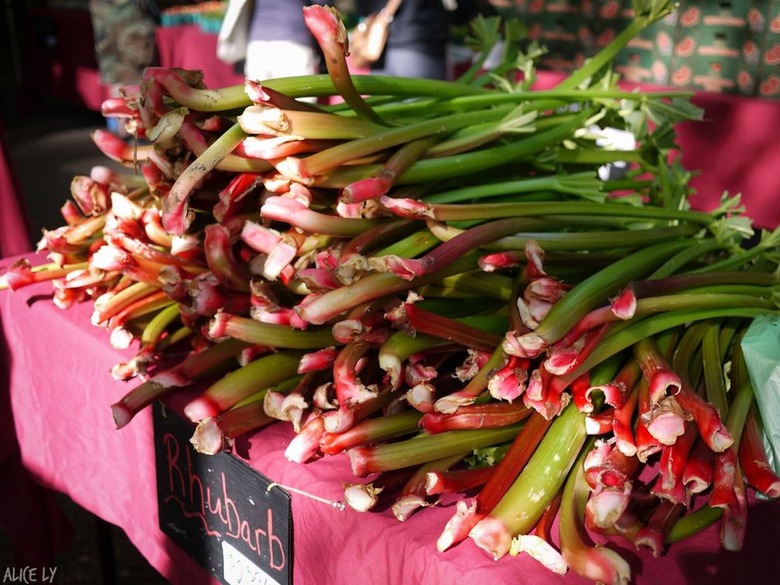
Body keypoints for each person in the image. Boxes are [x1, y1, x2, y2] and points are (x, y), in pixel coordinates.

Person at [354, 0, 451, 80]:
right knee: (428, 101)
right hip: (419, 42)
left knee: (386, 100)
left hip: (378, 43)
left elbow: (361, 8)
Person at [244, 0, 330, 81]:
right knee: (300, 94)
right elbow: (322, 5)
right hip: (294, 41)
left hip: (258, 43)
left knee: (258, 93)